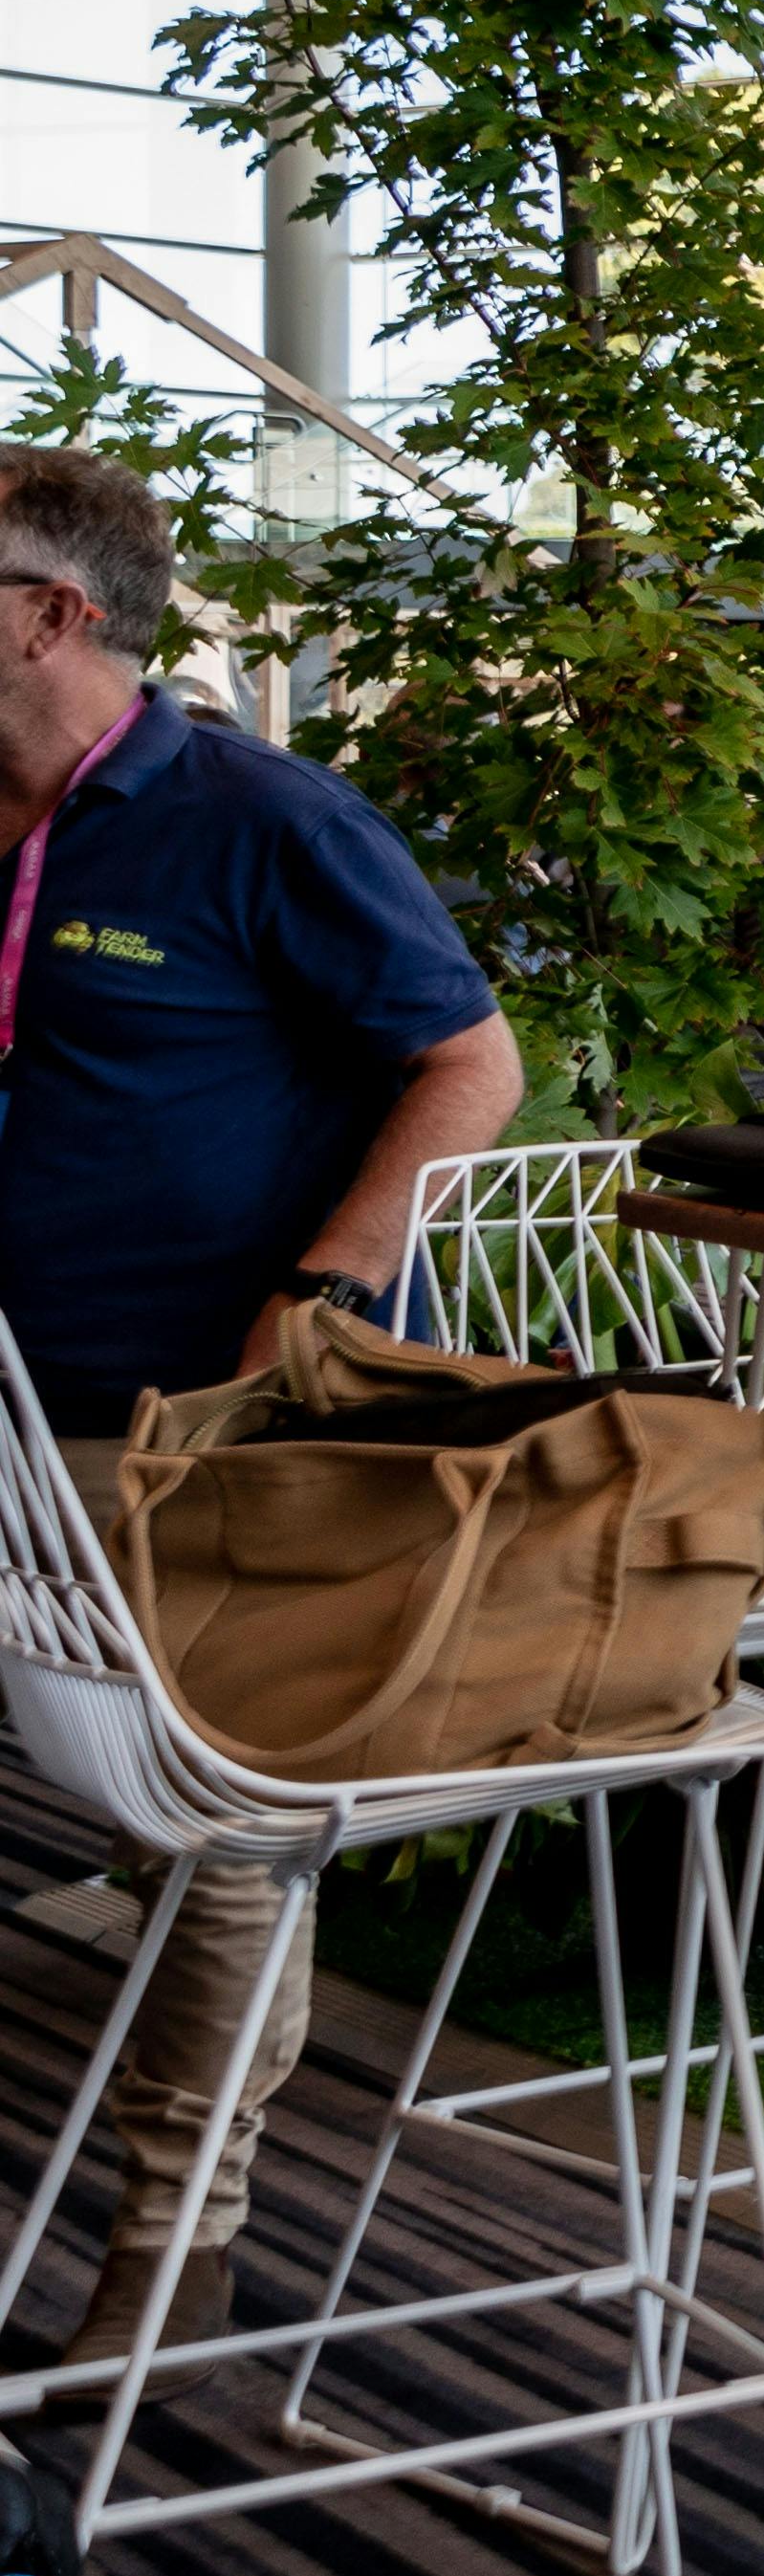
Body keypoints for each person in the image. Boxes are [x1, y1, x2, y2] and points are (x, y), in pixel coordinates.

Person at [0, 447, 526, 2360]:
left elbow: (470, 1061)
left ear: (59, 610)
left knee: (205, 1826)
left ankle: (169, 2249)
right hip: (3, 1408)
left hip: (174, 1417)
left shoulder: (253, 815)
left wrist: (319, 1298)